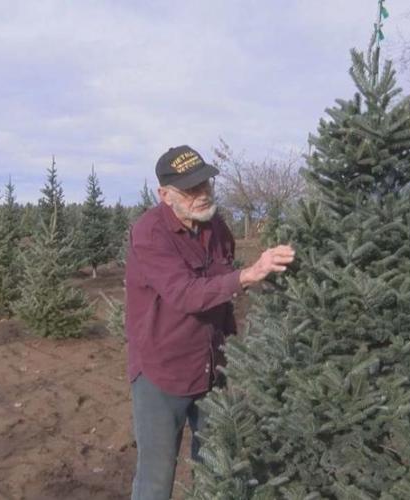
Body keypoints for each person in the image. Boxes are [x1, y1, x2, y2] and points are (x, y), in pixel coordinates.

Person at [124, 145, 295, 500]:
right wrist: (250, 274)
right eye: (191, 189)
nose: (202, 194)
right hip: (162, 371)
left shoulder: (215, 225)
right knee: (156, 479)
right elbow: (185, 294)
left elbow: (224, 278)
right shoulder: (150, 233)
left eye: (205, 184)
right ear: (164, 195)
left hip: (212, 367)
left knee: (215, 465)